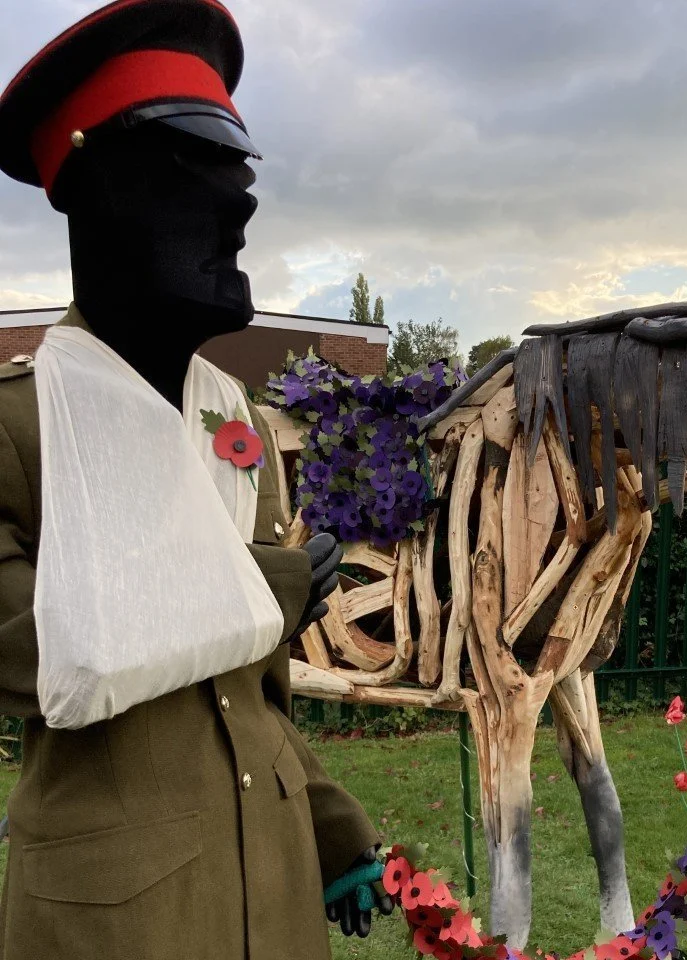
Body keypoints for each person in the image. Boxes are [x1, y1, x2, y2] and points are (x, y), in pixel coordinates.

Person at [0, 2, 389, 957]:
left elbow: (248, 687)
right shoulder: (18, 424)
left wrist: (329, 820)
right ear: (95, 195)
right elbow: (39, 655)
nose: (240, 210)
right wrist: (250, 591)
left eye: (238, 174)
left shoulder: (232, 420)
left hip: (274, 885)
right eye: (189, 171)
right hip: (122, 915)